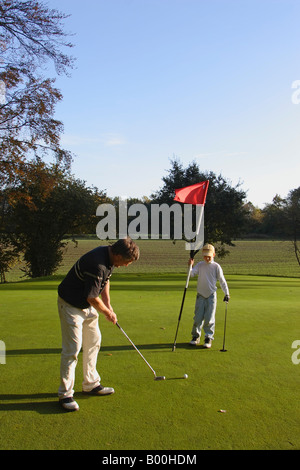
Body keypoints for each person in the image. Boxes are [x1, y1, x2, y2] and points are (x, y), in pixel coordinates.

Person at [57, 237, 140, 411]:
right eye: (126, 262)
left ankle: (91, 384)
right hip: (71, 305)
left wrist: (108, 304)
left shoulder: (109, 257)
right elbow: (92, 297)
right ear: (117, 254)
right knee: (73, 349)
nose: (126, 265)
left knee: (94, 342)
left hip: (87, 306)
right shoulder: (98, 264)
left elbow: (105, 280)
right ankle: (65, 394)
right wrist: (107, 312)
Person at [189, 243, 229, 349]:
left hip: (211, 295)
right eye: (205, 256)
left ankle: (208, 337)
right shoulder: (200, 265)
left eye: (209, 256)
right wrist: (190, 266)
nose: (207, 258)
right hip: (200, 295)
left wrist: (227, 293)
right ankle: (195, 336)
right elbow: (192, 274)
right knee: (197, 317)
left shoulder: (216, 267)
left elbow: (222, 281)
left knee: (209, 318)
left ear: (214, 255)